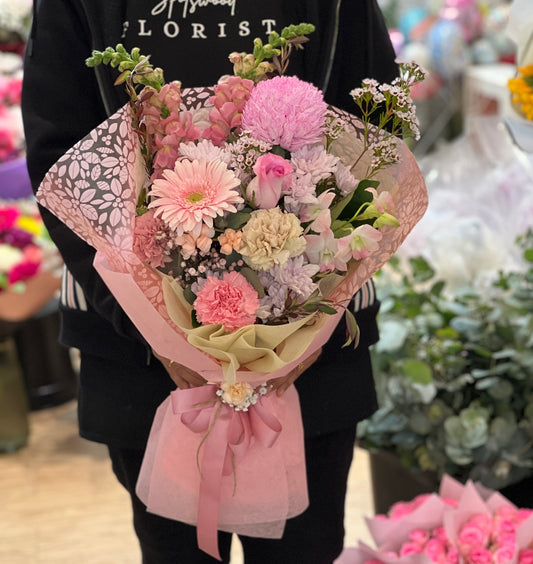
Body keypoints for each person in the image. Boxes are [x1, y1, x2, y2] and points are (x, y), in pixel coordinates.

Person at [22, 1, 398, 562]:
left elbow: (373, 126)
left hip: (312, 348)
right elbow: (60, 147)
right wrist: (151, 323)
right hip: (139, 357)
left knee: (307, 547)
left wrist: (306, 311)